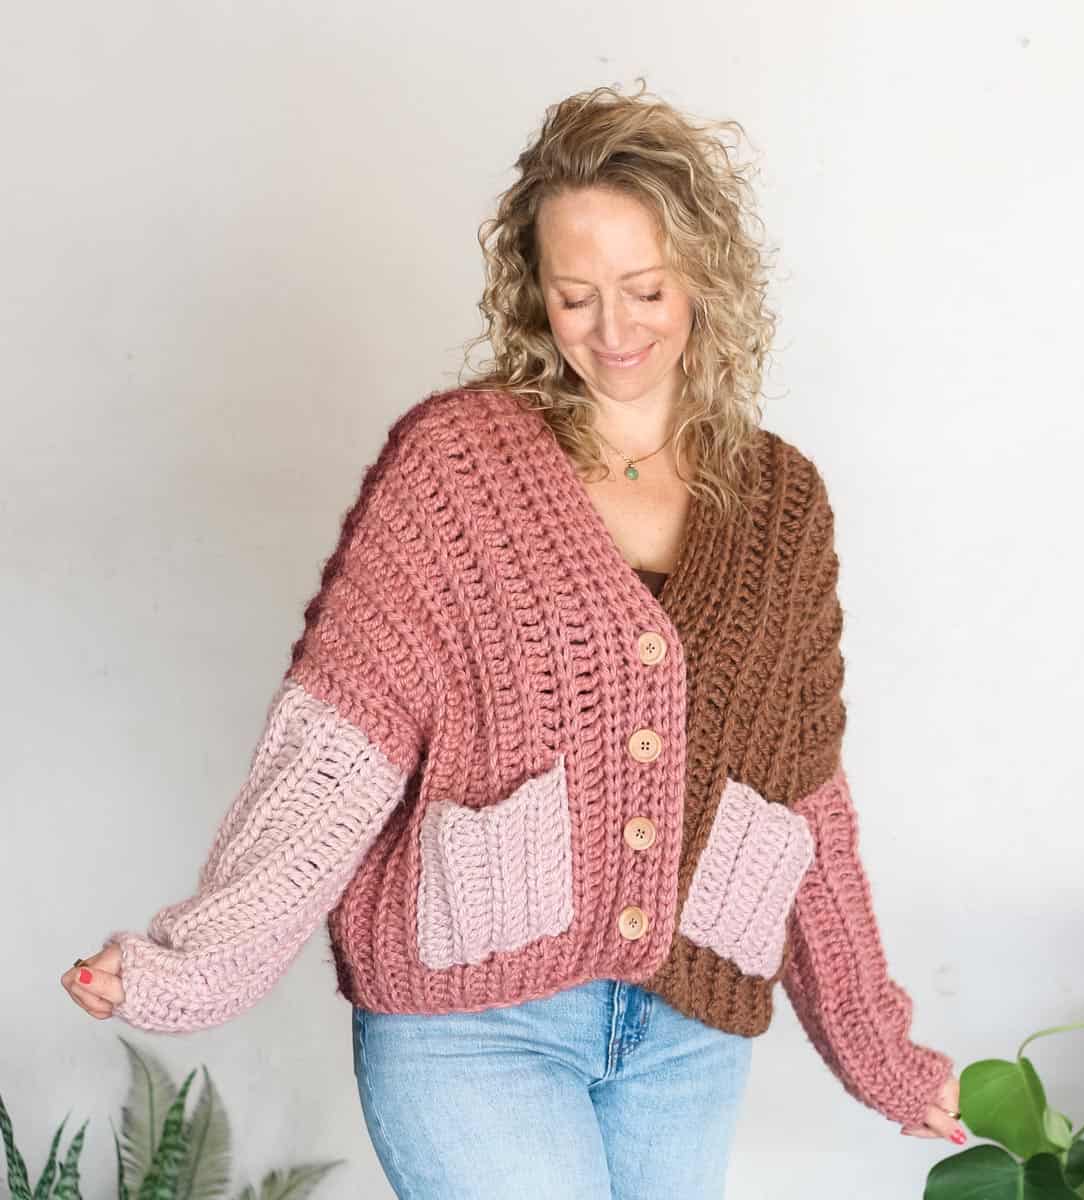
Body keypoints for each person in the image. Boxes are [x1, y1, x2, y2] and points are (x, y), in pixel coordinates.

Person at [62, 79, 964, 1198]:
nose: (614, 330)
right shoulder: (455, 468)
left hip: (689, 1034)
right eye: (576, 294)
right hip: (474, 1022)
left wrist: (878, 1046)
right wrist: (194, 963)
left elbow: (800, 795)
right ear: (534, 291)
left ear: (704, 280)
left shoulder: (783, 503)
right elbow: (340, 746)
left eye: (644, 289)